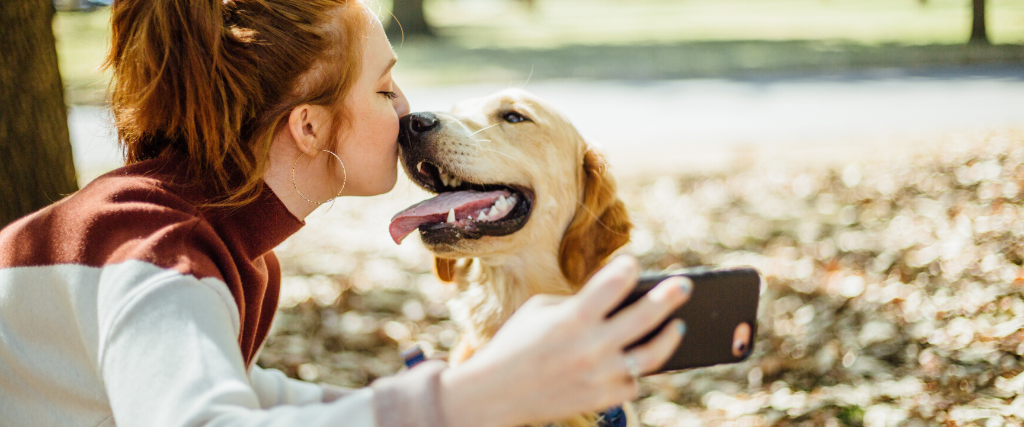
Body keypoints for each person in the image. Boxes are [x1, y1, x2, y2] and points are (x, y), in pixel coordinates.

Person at [0, 1, 690, 426]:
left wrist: (455, 394)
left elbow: (249, 397)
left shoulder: (206, 235)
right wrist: (463, 402)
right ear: (308, 127)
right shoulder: (161, 255)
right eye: (384, 87)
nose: (408, 110)